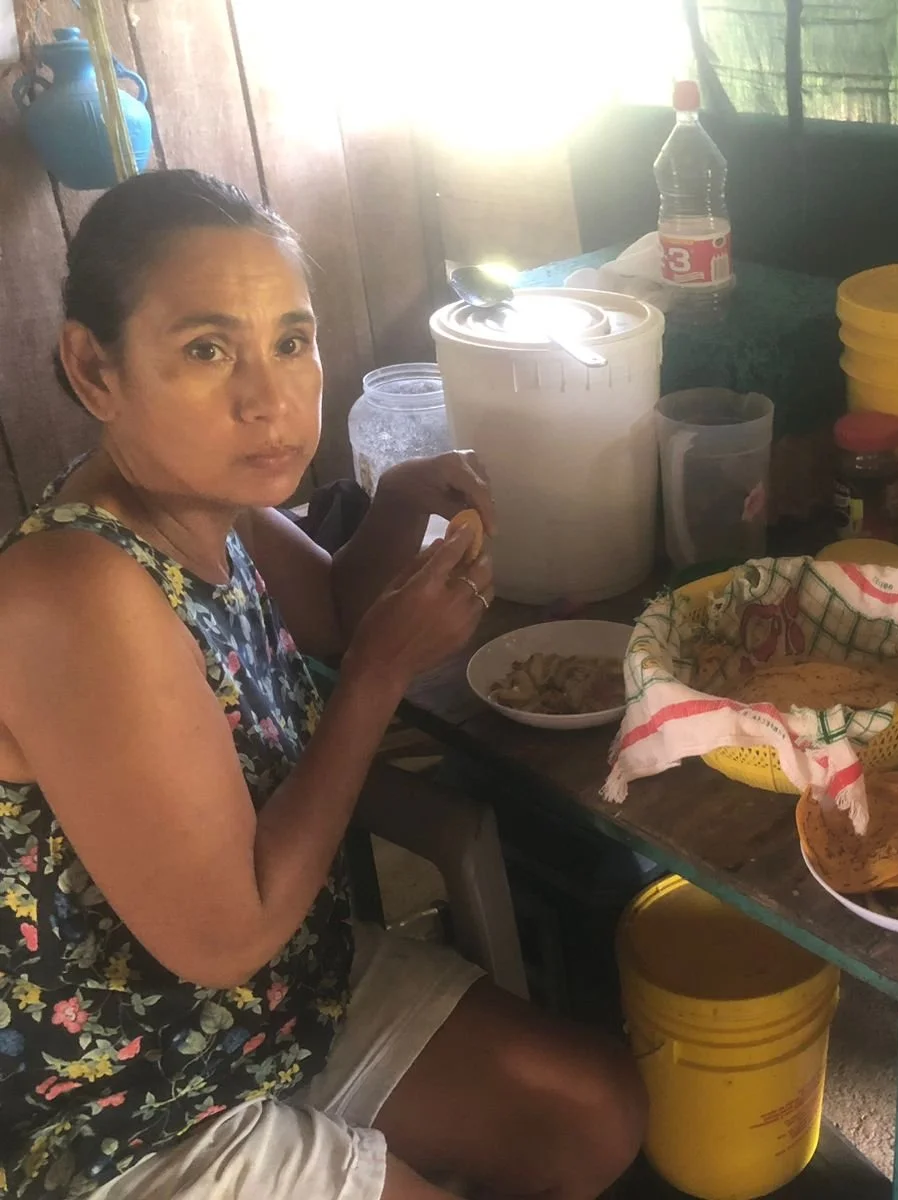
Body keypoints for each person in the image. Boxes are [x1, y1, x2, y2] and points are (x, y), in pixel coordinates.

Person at [0, 170, 646, 1200]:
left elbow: (336, 614)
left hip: (275, 1001)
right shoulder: (73, 589)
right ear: (94, 366)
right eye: (207, 349)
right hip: (129, 1098)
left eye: (291, 342)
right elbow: (225, 935)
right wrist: (381, 677)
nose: (269, 399)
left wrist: (394, 507)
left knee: (592, 1112)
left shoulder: (206, 494)